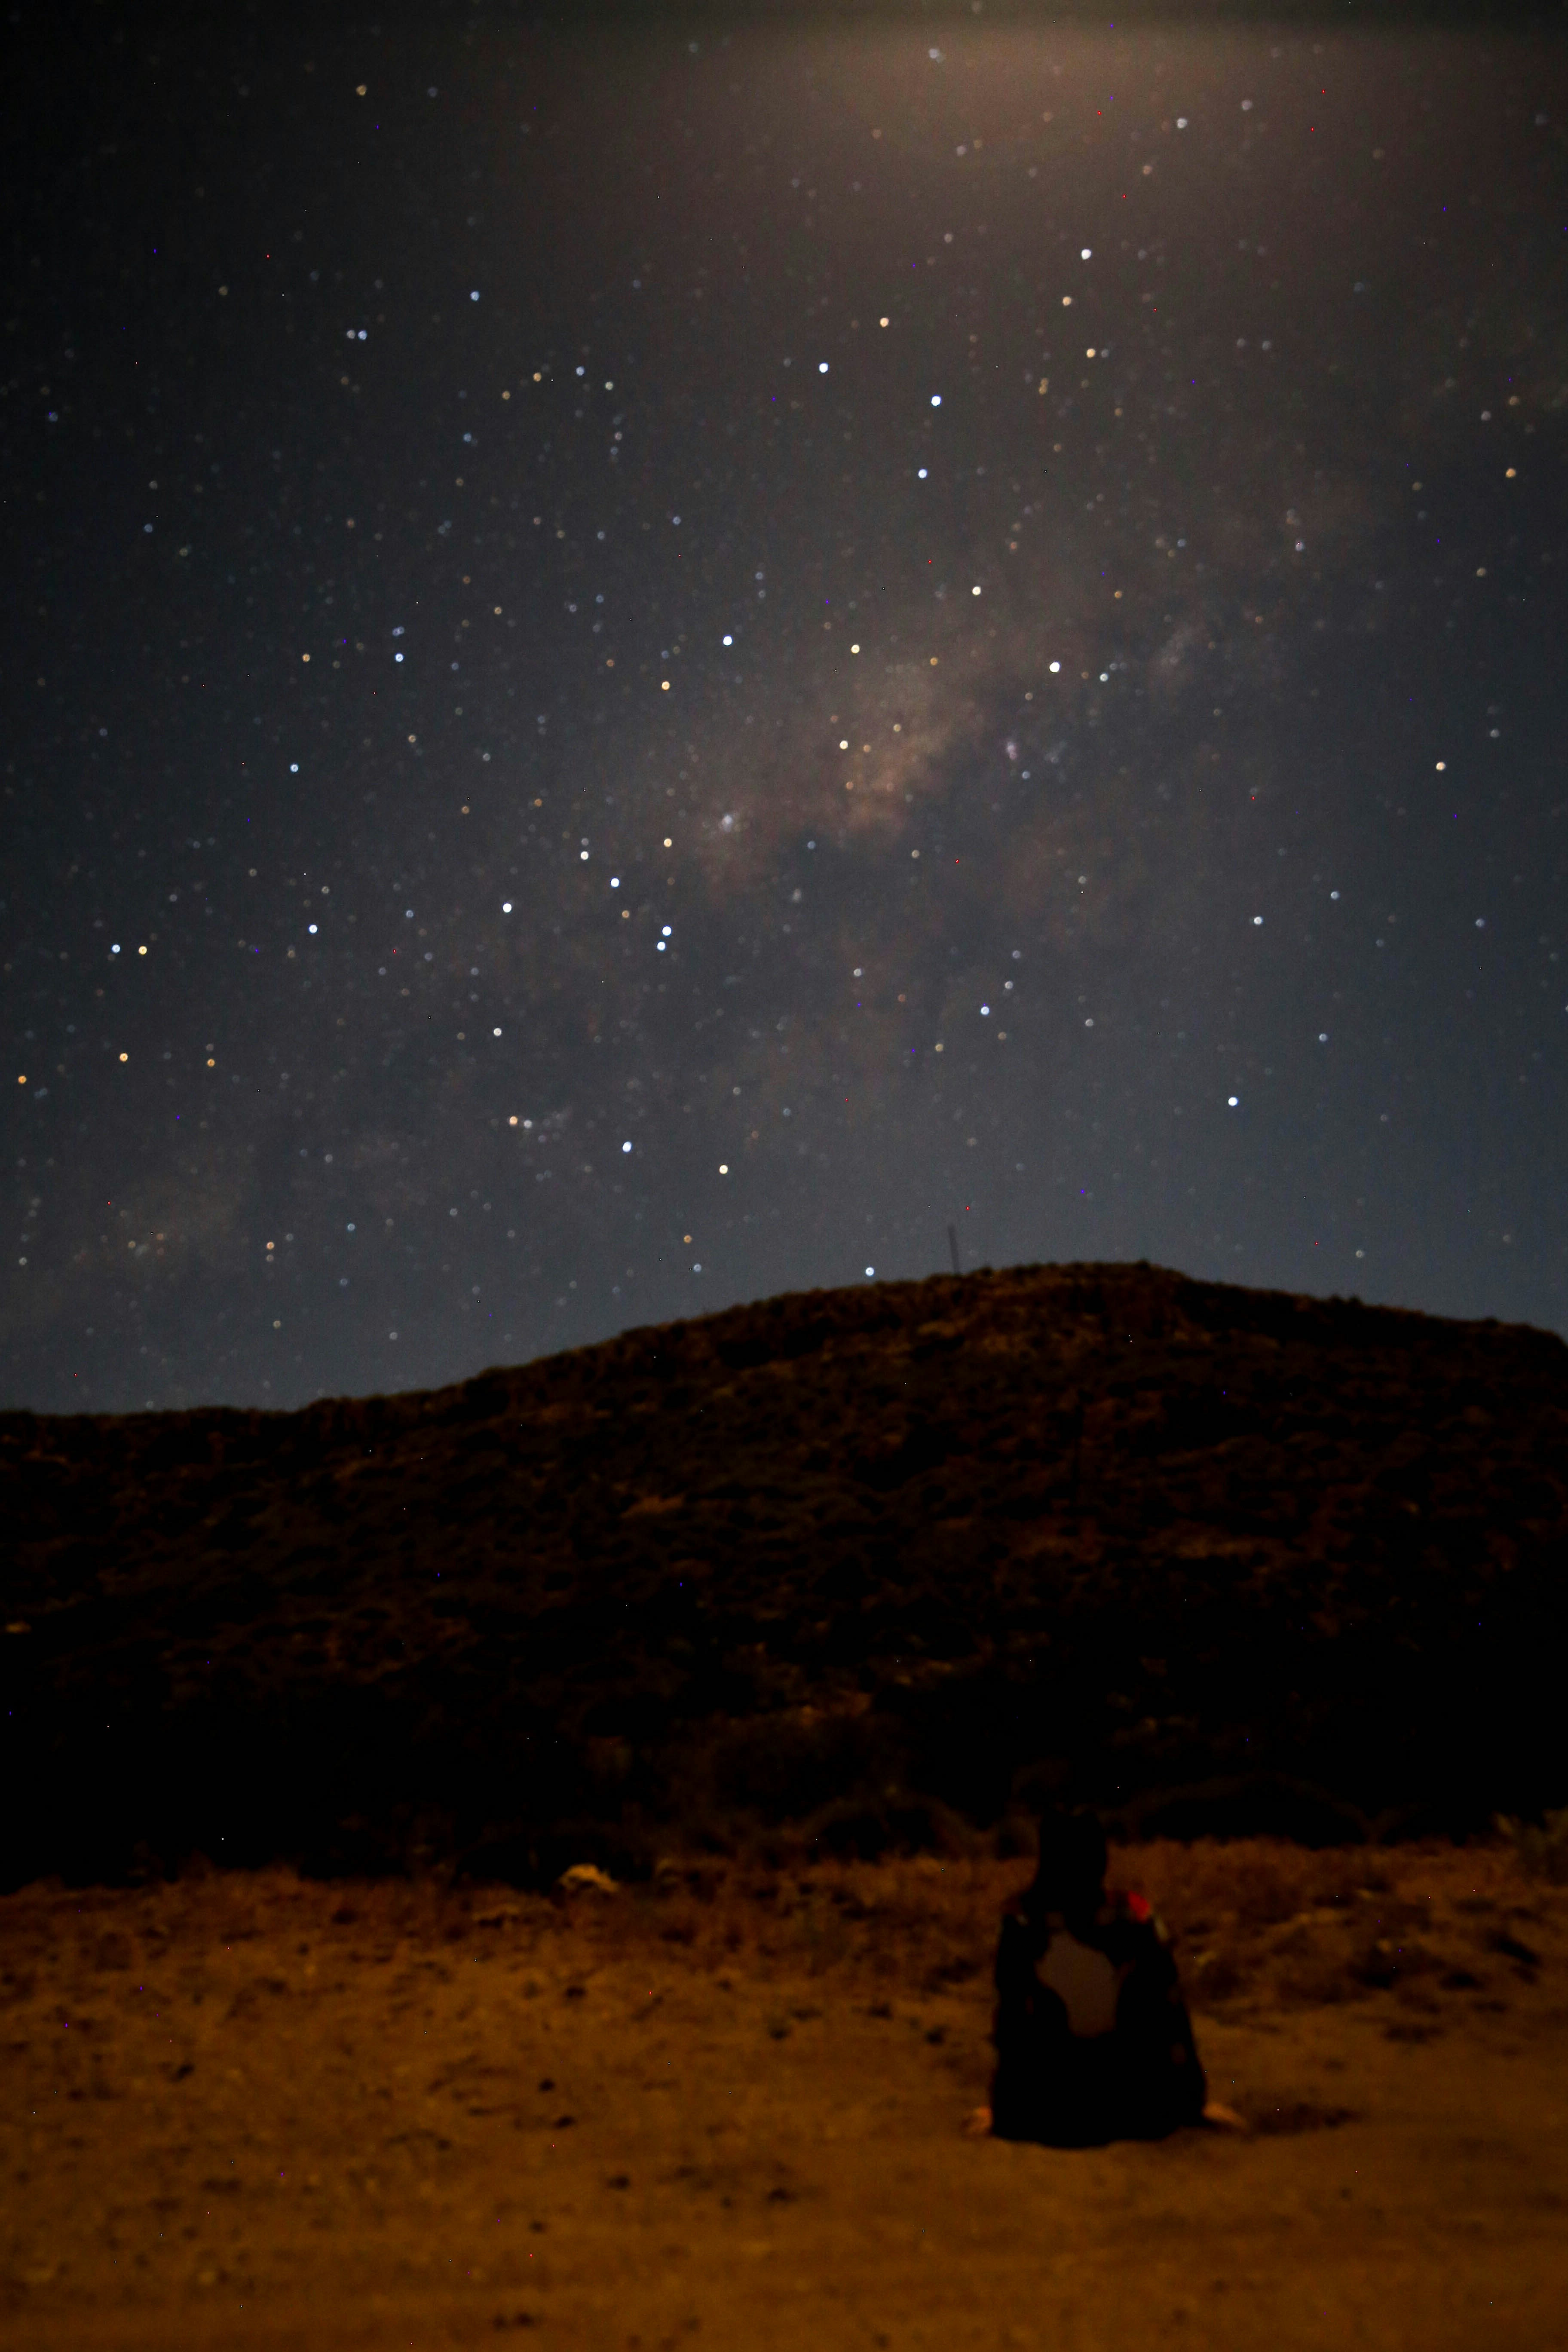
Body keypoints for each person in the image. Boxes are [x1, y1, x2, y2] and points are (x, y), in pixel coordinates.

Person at [973, 1807, 1241, 2144]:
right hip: (1133, 2102)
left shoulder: (1021, 1920)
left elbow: (1011, 2027)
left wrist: (1006, 2111)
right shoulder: (1134, 1916)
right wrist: (1191, 2102)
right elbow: (1171, 2016)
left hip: (1048, 2107)